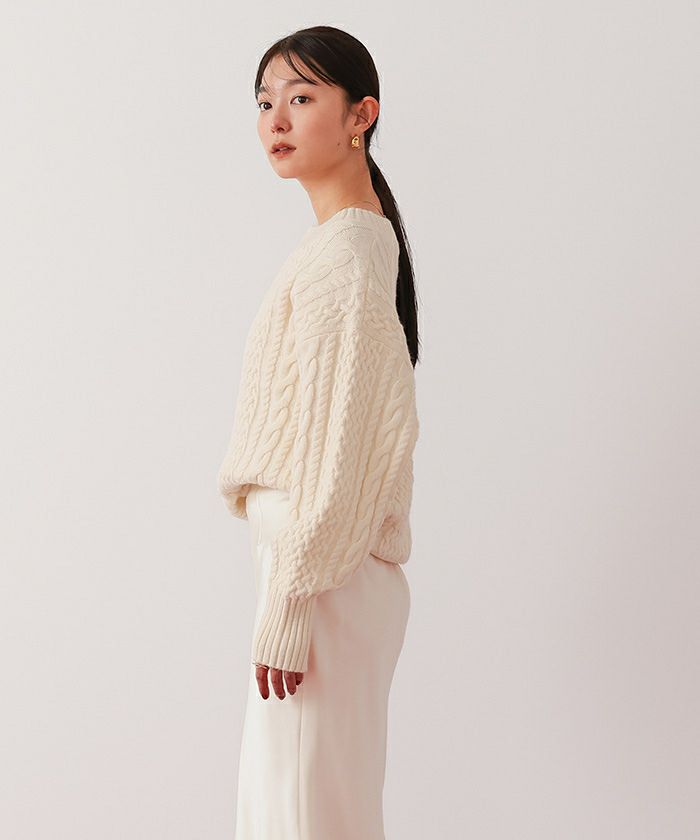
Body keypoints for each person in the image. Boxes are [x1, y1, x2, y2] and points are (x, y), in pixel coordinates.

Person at [217, 25, 421, 840]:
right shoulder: (347, 246)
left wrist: (293, 600)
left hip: (320, 585)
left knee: (298, 820)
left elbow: (339, 457)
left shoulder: (347, 257)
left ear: (361, 115)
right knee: (309, 812)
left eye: (302, 98)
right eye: (265, 101)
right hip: (321, 578)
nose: (276, 119)